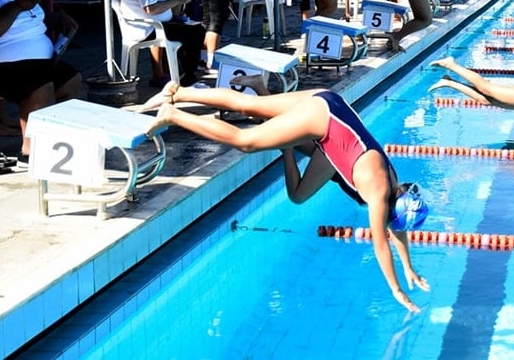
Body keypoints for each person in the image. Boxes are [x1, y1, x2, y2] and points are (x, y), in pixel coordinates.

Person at [140, 84, 431, 312]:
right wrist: (395, 288)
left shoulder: (393, 182)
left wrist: (408, 266)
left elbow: (397, 231)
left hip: (330, 103)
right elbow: (381, 243)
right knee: (247, 142)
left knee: (250, 105)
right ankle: (172, 114)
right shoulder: (379, 193)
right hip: (323, 121)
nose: (392, 227)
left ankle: (177, 92)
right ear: (391, 210)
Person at [0, 0, 82, 164]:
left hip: (33, 60)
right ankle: (31, 149)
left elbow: (33, 19)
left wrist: (56, 19)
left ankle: (50, 134)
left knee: (72, 80)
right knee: (40, 84)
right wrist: (17, 6)